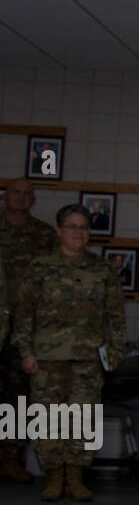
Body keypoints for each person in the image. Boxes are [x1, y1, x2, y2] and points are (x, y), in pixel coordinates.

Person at [11, 204, 126, 501]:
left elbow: (114, 316)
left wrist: (114, 352)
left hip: (88, 358)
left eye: (84, 228)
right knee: (49, 419)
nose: (79, 233)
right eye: (73, 227)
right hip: (47, 357)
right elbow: (24, 314)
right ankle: (53, 476)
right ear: (60, 230)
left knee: (83, 418)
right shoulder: (40, 267)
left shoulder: (102, 269)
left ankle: (76, 476)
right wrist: (25, 351)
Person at [0, 179, 57, 483]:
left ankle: (11, 457)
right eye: (16, 193)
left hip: (23, 329)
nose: (21, 198)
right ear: (5, 196)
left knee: (17, 396)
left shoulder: (44, 234)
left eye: (27, 194)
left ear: (33, 200)